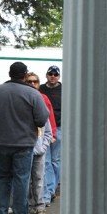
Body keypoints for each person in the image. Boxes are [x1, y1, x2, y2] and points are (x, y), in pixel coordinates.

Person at [0, 62, 49, 214]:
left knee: (2, 178)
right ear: (25, 75)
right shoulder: (32, 94)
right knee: (21, 179)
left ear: (10, 74)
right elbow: (41, 118)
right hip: (23, 143)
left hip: (0, 143)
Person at [23, 73, 54, 214]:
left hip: (39, 149)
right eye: (29, 81)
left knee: (39, 178)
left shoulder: (42, 101)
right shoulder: (22, 102)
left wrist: (44, 145)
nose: (32, 84)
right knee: (25, 179)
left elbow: (48, 127)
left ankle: (40, 204)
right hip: (24, 148)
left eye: (35, 82)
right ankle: (28, 204)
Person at [39, 64, 62, 206]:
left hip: (59, 127)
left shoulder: (64, 89)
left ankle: (51, 188)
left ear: (58, 76)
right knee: (46, 160)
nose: (52, 76)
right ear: (46, 75)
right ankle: (48, 192)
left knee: (56, 160)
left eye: (55, 74)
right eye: (50, 74)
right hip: (44, 128)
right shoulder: (41, 89)